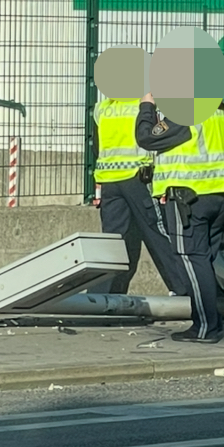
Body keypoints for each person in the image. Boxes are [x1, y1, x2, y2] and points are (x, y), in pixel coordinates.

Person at [135, 94, 224, 344]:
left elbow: (147, 137)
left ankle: (205, 326)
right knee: (208, 259)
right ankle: (211, 318)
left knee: (192, 259)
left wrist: (147, 106)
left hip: (189, 198)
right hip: (219, 195)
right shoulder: (223, 112)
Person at [92, 94, 188, 296]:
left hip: (109, 180)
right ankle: (184, 289)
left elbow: (96, 148)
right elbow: (156, 137)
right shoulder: (144, 103)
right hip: (139, 179)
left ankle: (104, 296)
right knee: (159, 234)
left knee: (114, 240)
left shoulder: (102, 108)